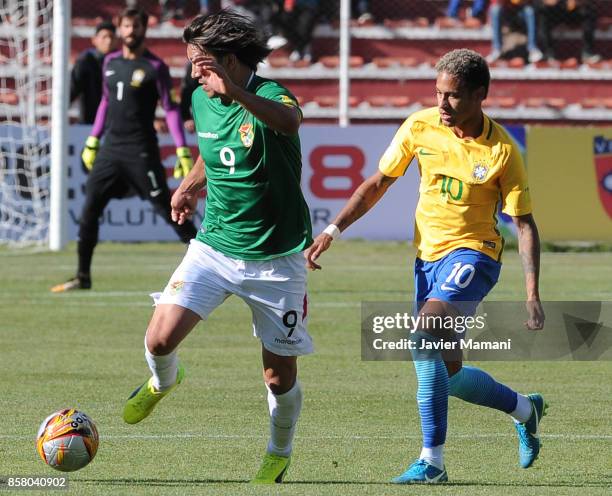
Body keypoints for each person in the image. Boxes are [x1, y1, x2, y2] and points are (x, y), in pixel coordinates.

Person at [306, 48, 546, 483]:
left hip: (475, 255)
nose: (442, 104)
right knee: (449, 375)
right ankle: (525, 409)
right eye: (437, 93)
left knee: (422, 335)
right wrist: (332, 230)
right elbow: (378, 182)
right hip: (427, 259)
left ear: (480, 95)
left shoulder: (503, 152)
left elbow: (524, 224)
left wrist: (532, 294)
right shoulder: (420, 126)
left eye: (452, 96)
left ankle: (432, 462)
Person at [121, 10, 313, 484]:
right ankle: (165, 380)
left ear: (228, 62)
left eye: (201, 65)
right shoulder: (202, 100)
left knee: (278, 378)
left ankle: (278, 451)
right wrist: (189, 185)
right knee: (159, 339)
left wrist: (239, 95)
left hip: (276, 259)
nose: (193, 74)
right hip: (215, 246)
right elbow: (216, 154)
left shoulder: (270, 95)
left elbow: (290, 123)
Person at [51, 7, 198, 293]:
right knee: (90, 209)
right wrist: (93, 139)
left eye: (136, 27)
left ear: (145, 29)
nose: (131, 32)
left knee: (168, 209)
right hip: (110, 149)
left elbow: (169, 109)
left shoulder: (155, 67)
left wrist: (182, 149)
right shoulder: (110, 63)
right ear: (121, 29)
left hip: (141, 151)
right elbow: (106, 103)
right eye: (127, 27)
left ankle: (211, 261)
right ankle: (83, 276)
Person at [70, 20, 117, 124]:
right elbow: (71, 90)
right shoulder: (85, 61)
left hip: (116, 125)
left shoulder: (122, 62)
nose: (108, 41)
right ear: (94, 40)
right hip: (89, 122)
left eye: (111, 37)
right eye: (104, 37)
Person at [536, 0, 600, 64]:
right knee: (542, 15)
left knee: (589, 12)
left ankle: (587, 53)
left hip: (574, 12)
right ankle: (549, 54)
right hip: (554, 11)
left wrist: (578, 2)